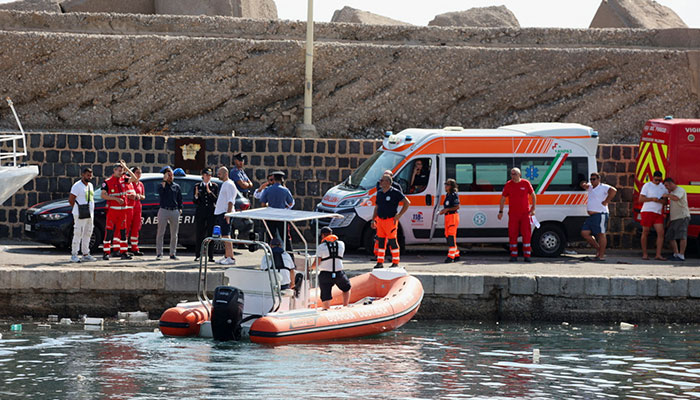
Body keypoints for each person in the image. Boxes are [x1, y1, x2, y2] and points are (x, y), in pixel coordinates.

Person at [372, 175, 410, 268]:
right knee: (381, 241)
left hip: (390, 220)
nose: (380, 182)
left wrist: (399, 215)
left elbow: (407, 202)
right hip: (380, 220)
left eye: (382, 180)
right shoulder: (379, 193)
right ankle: (380, 262)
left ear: (388, 182)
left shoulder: (395, 192)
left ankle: (395, 262)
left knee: (392, 241)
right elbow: (377, 207)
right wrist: (373, 220)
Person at [499, 167, 536, 262]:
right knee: (512, 234)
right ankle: (513, 255)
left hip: (525, 214)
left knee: (526, 234)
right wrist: (501, 211)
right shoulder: (508, 184)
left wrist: (533, 208)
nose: (512, 176)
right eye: (511, 174)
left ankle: (527, 255)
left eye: (514, 174)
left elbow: (533, 195)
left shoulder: (525, 183)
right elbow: (503, 198)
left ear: (519, 175)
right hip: (513, 214)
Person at [580, 172, 617, 261]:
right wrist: (584, 184)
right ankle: (598, 249)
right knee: (584, 233)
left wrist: (606, 201)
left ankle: (601, 255)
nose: (592, 181)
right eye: (591, 179)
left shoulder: (603, 187)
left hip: (600, 214)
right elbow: (582, 184)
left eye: (594, 179)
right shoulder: (590, 187)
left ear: (598, 179)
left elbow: (613, 190)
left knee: (601, 234)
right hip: (591, 216)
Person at [315, 227, 351, 310]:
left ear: (323, 235)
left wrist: (310, 267)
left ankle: (326, 309)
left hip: (325, 274)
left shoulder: (321, 247)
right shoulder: (341, 244)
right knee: (346, 288)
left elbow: (317, 262)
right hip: (339, 273)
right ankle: (345, 306)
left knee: (325, 295)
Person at [101, 162, 132, 260]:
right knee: (109, 232)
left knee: (123, 233)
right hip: (113, 211)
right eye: (119, 170)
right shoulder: (107, 181)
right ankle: (106, 253)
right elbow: (103, 195)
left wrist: (126, 168)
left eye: (122, 170)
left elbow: (135, 179)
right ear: (114, 170)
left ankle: (124, 252)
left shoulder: (124, 180)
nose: (121, 172)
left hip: (123, 212)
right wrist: (116, 199)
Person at [260, 171, 295, 251]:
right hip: (282, 216)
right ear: (282, 179)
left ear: (274, 179)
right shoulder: (285, 190)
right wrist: (284, 206)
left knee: (271, 237)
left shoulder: (268, 190)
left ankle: (271, 255)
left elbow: (263, 203)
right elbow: (290, 203)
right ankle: (290, 256)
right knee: (285, 238)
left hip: (270, 216)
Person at [155, 166, 183, 261]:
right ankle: (159, 253)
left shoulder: (177, 186)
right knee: (160, 233)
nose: (171, 177)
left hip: (174, 210)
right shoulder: (161, 185)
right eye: (169, 175)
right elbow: (161, 193)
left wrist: (180, 209)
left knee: (174, 234)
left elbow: (180, 199)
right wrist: (164, 180)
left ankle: (172, 253)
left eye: (172, 175)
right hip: (164, 210)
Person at [639, 171, 668, 261]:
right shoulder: (647, 186)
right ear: (653, 178)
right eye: (656, 180)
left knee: (661, 233)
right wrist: (652, 199)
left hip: (658, 212)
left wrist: (659, 201)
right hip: (647, 211)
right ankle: (644, 254)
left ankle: (658, 254)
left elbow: (665, 201)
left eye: (659, 180)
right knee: (645, 232)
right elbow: (641, 199)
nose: (657, 181)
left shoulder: (663, 188)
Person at [68, 167, 96, 263]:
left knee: (88, 233)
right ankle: (74, 254)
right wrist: (77, 209)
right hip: (80, 213)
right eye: (88, 175)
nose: (90, 177)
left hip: (90, 213)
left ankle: (85, 253)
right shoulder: (77, 186)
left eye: (91, 175)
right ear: (83, 175)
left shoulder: (90, 185)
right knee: (78, 233)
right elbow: (71, 200)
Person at [194, 167, 219, 262]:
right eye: (206, 175)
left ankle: (210, 256)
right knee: (199, 233)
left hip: (211, 212)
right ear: (203, 176)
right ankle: (198, 255)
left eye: (209, 175)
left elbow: (215, 199)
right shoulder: (198, 186)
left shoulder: (214, 186)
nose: (208, 177)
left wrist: (209, 192)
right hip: (201, 212)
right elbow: (195, 201)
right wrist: (196, 196)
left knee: (210, 233)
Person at [662, 177, 691, 261]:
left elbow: (676, 198)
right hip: (674, 218)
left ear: (671, 184)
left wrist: (667, 195)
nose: (666, 187)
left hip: (682, 216)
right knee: (670, 236)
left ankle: (681, 255)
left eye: (667, 185)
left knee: (682, 236)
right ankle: (676, 253)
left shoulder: (680, 190)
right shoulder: (672, 192)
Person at [215, 166, 237, 265]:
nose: (218, 175)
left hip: (225, 212)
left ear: (225, 173)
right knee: (224, 235)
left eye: (220, 173)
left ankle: (231, 257)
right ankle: (226, 255)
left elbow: (230, 200)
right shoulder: (225, 184)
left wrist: (228, 214)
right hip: (221, 212)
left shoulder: (229, 184)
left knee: (226, 235)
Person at [439, 179, 460, 263]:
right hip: (448, 217)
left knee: (451, 236)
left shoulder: (454, 195)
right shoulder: (448, 195)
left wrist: (446, 209)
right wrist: (444, 211)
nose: (445, 186)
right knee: (448, 235)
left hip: (453, 217)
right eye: (445, 184)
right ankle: (456, 254)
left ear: (451, 186)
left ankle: (450, 257)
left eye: (447, 185)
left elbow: (457, 206)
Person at [127, 166, 145, 256]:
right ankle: (124, 248)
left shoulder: (141, 184)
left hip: (138, 207)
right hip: (130, 207)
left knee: (136, 228)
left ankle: (134, 248)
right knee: (127, 227)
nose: (139, 174)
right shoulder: (129, 183)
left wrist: (139, 196)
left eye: (140, 173)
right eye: (137, 172)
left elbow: (143, 196)